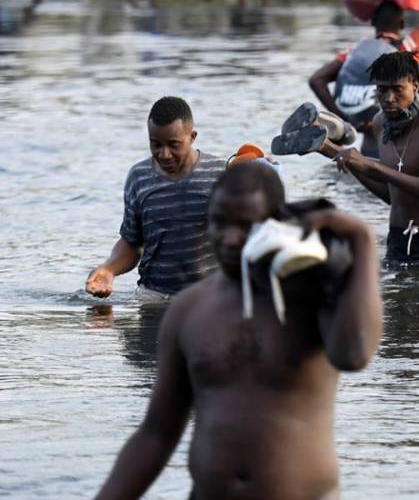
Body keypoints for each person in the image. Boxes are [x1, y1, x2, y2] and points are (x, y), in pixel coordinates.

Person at [93, 162, 382, 500]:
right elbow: (157, 433)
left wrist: (362, 241)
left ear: (275, 226)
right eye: (219, 223)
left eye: (246, 226)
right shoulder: (189, 309)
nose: (229, 239)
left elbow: (354, 354)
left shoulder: (311, 296)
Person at [319, 51, 419, 262]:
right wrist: (329, 150)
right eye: (382, 90)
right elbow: (392, 195)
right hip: (397, 239)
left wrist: (368, 165)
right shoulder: (379, 122)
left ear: (415, 86)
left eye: (397, 89)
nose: (388, 98)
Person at [85, 97, 226, 301]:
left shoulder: (222, 173)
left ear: (192, 137)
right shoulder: (139, 177)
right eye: (156, 144)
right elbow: (132, 242)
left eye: (174, 145)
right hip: (154, 295)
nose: (164, 154)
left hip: (208, 296)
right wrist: (108, 269)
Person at [308, 0, 419, 154]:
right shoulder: (410, 47)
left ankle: (336, 132)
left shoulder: (355, 53)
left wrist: (344, 117)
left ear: (372, 22)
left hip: (371, 140)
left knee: (364, 169)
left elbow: (317, 80)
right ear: (401, 24)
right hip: (408, 140)